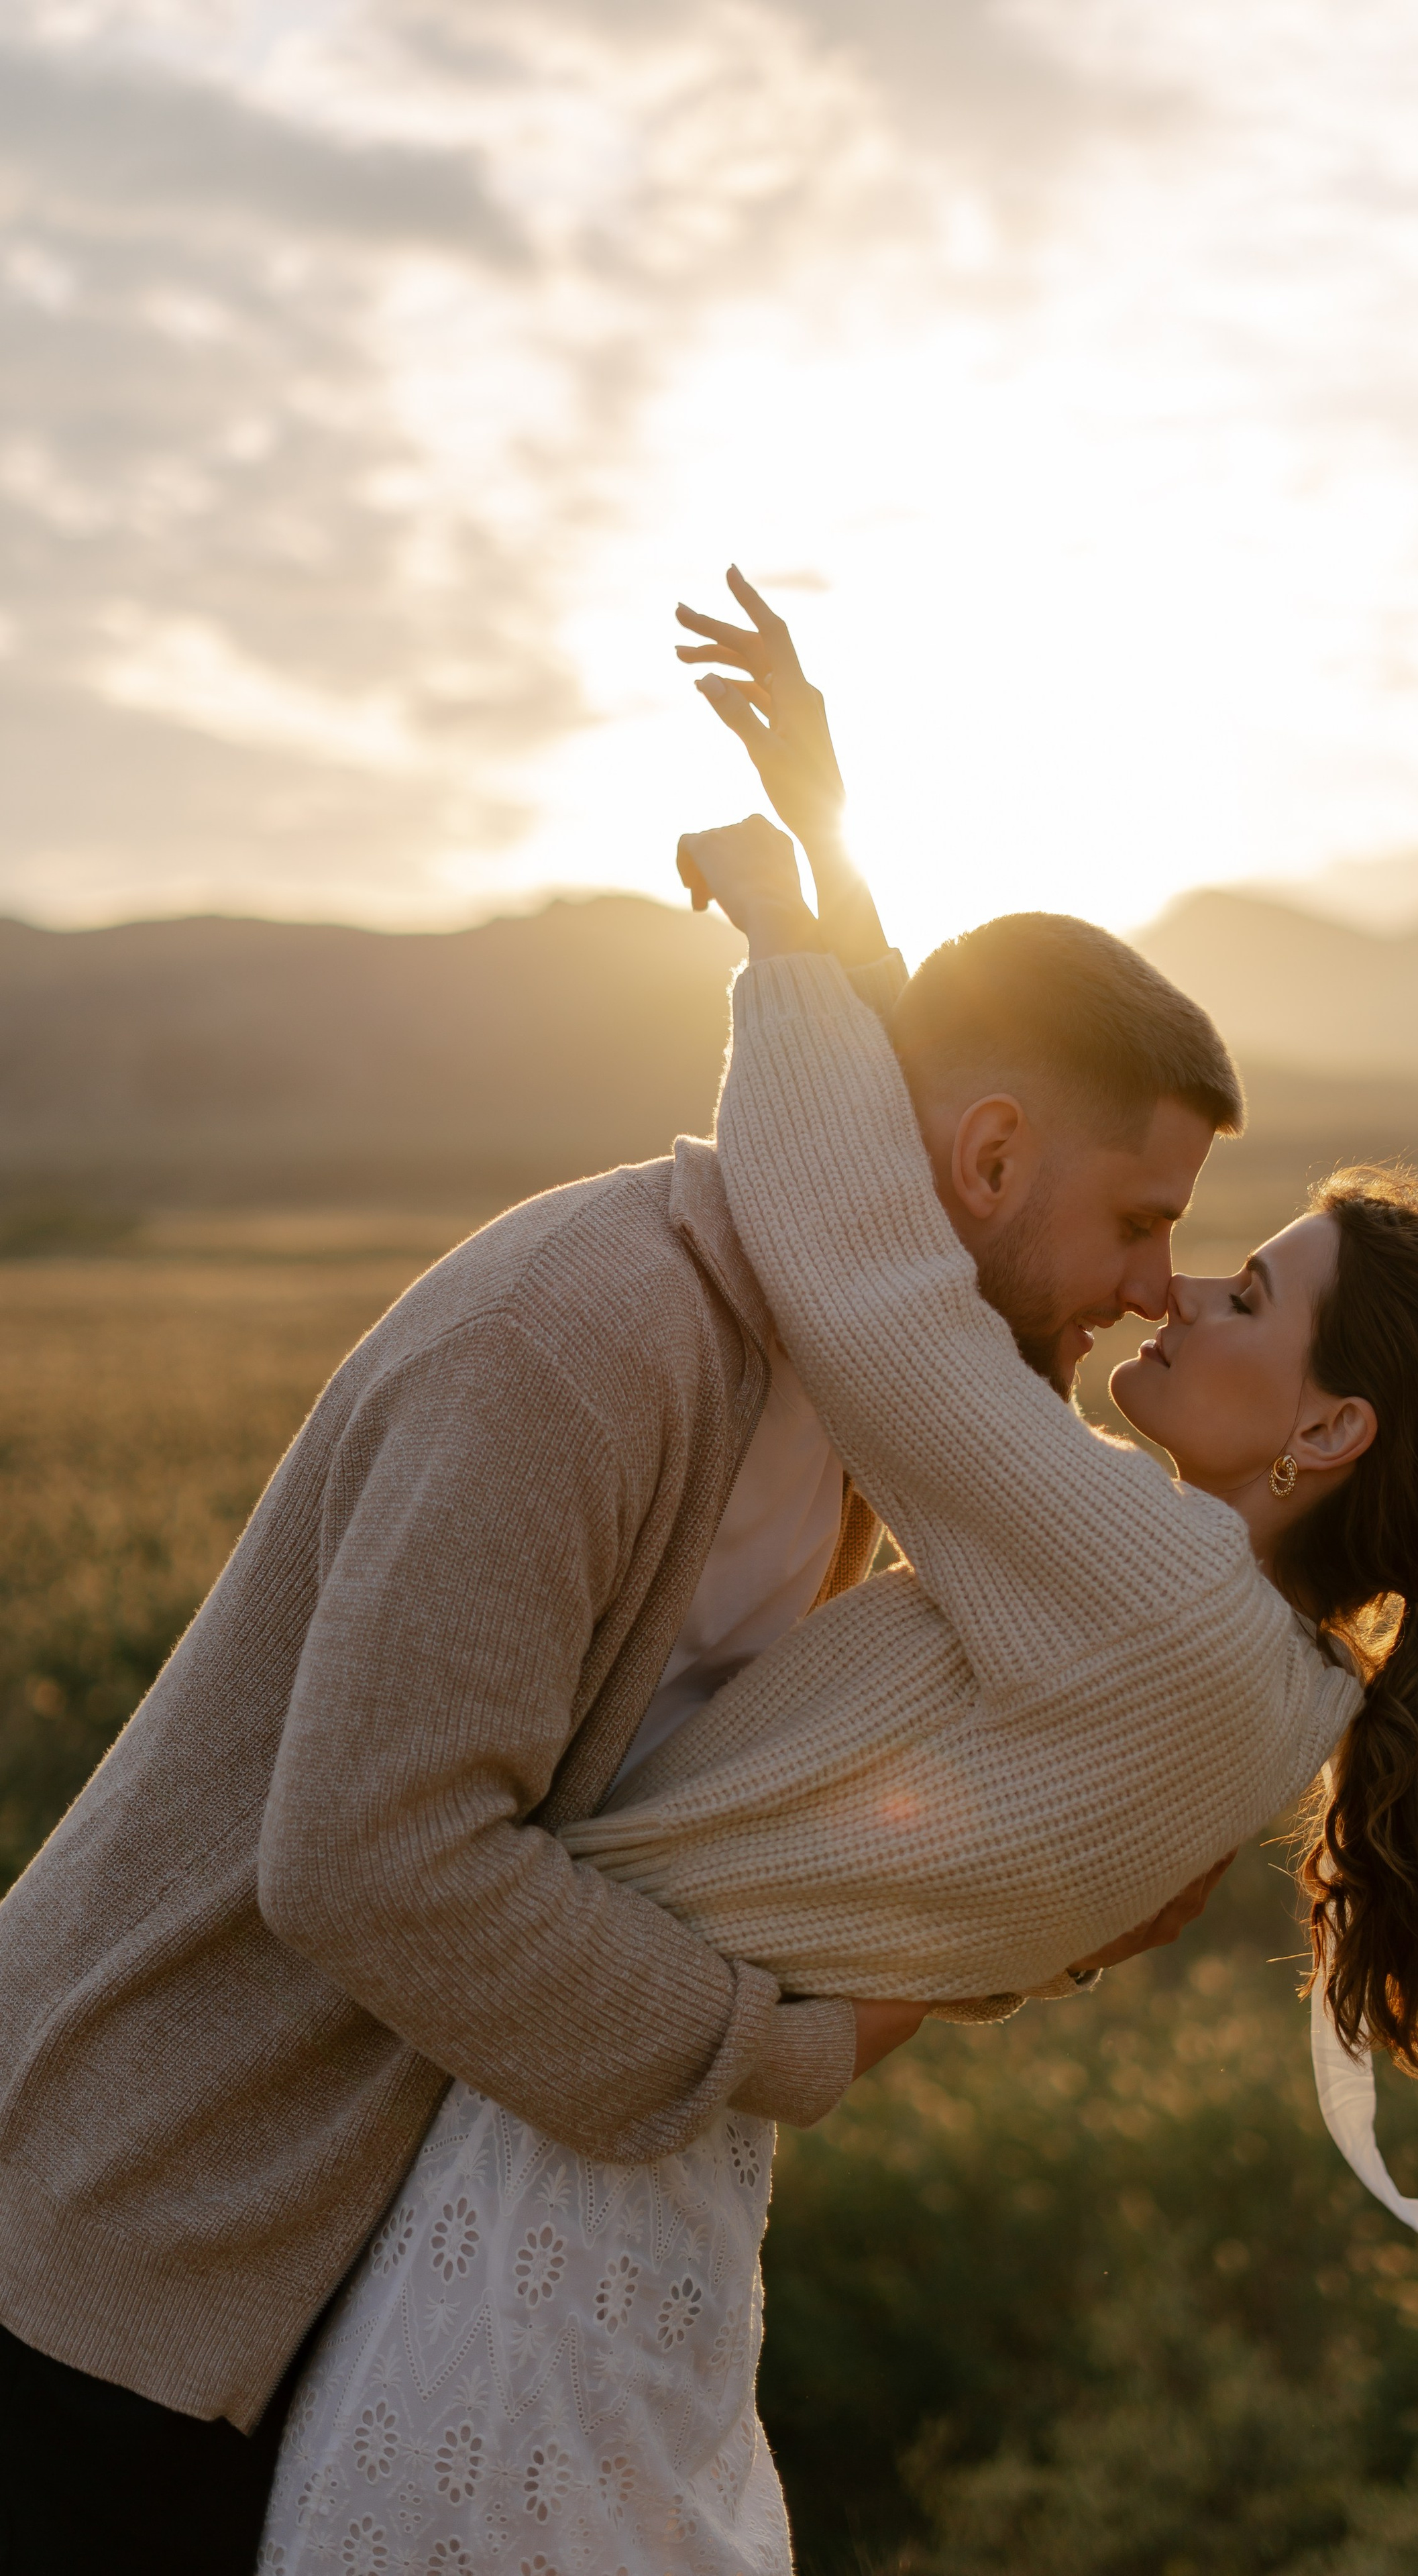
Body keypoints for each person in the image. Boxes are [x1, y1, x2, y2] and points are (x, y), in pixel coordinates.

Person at [256, 735, 1418, 2570]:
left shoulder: (1152, 1587)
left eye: (1240, 1293)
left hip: (544, 2170)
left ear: (1329, 1434)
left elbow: (881, 1283)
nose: (1171, 1288)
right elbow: (958, 1236)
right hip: (654, 2171)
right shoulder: (1277, 1705)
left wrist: (783, 930)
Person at [0, 592, 1250, 2574]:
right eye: (1145, 1220)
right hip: (131, 2259)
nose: (1157, 1289)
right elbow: (374, 1859)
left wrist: (834, 858)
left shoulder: (863, 1379)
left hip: (357, 2271)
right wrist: (788, 2049)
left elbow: (886, 1111)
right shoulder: (584, 1342)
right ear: (995, 1159)